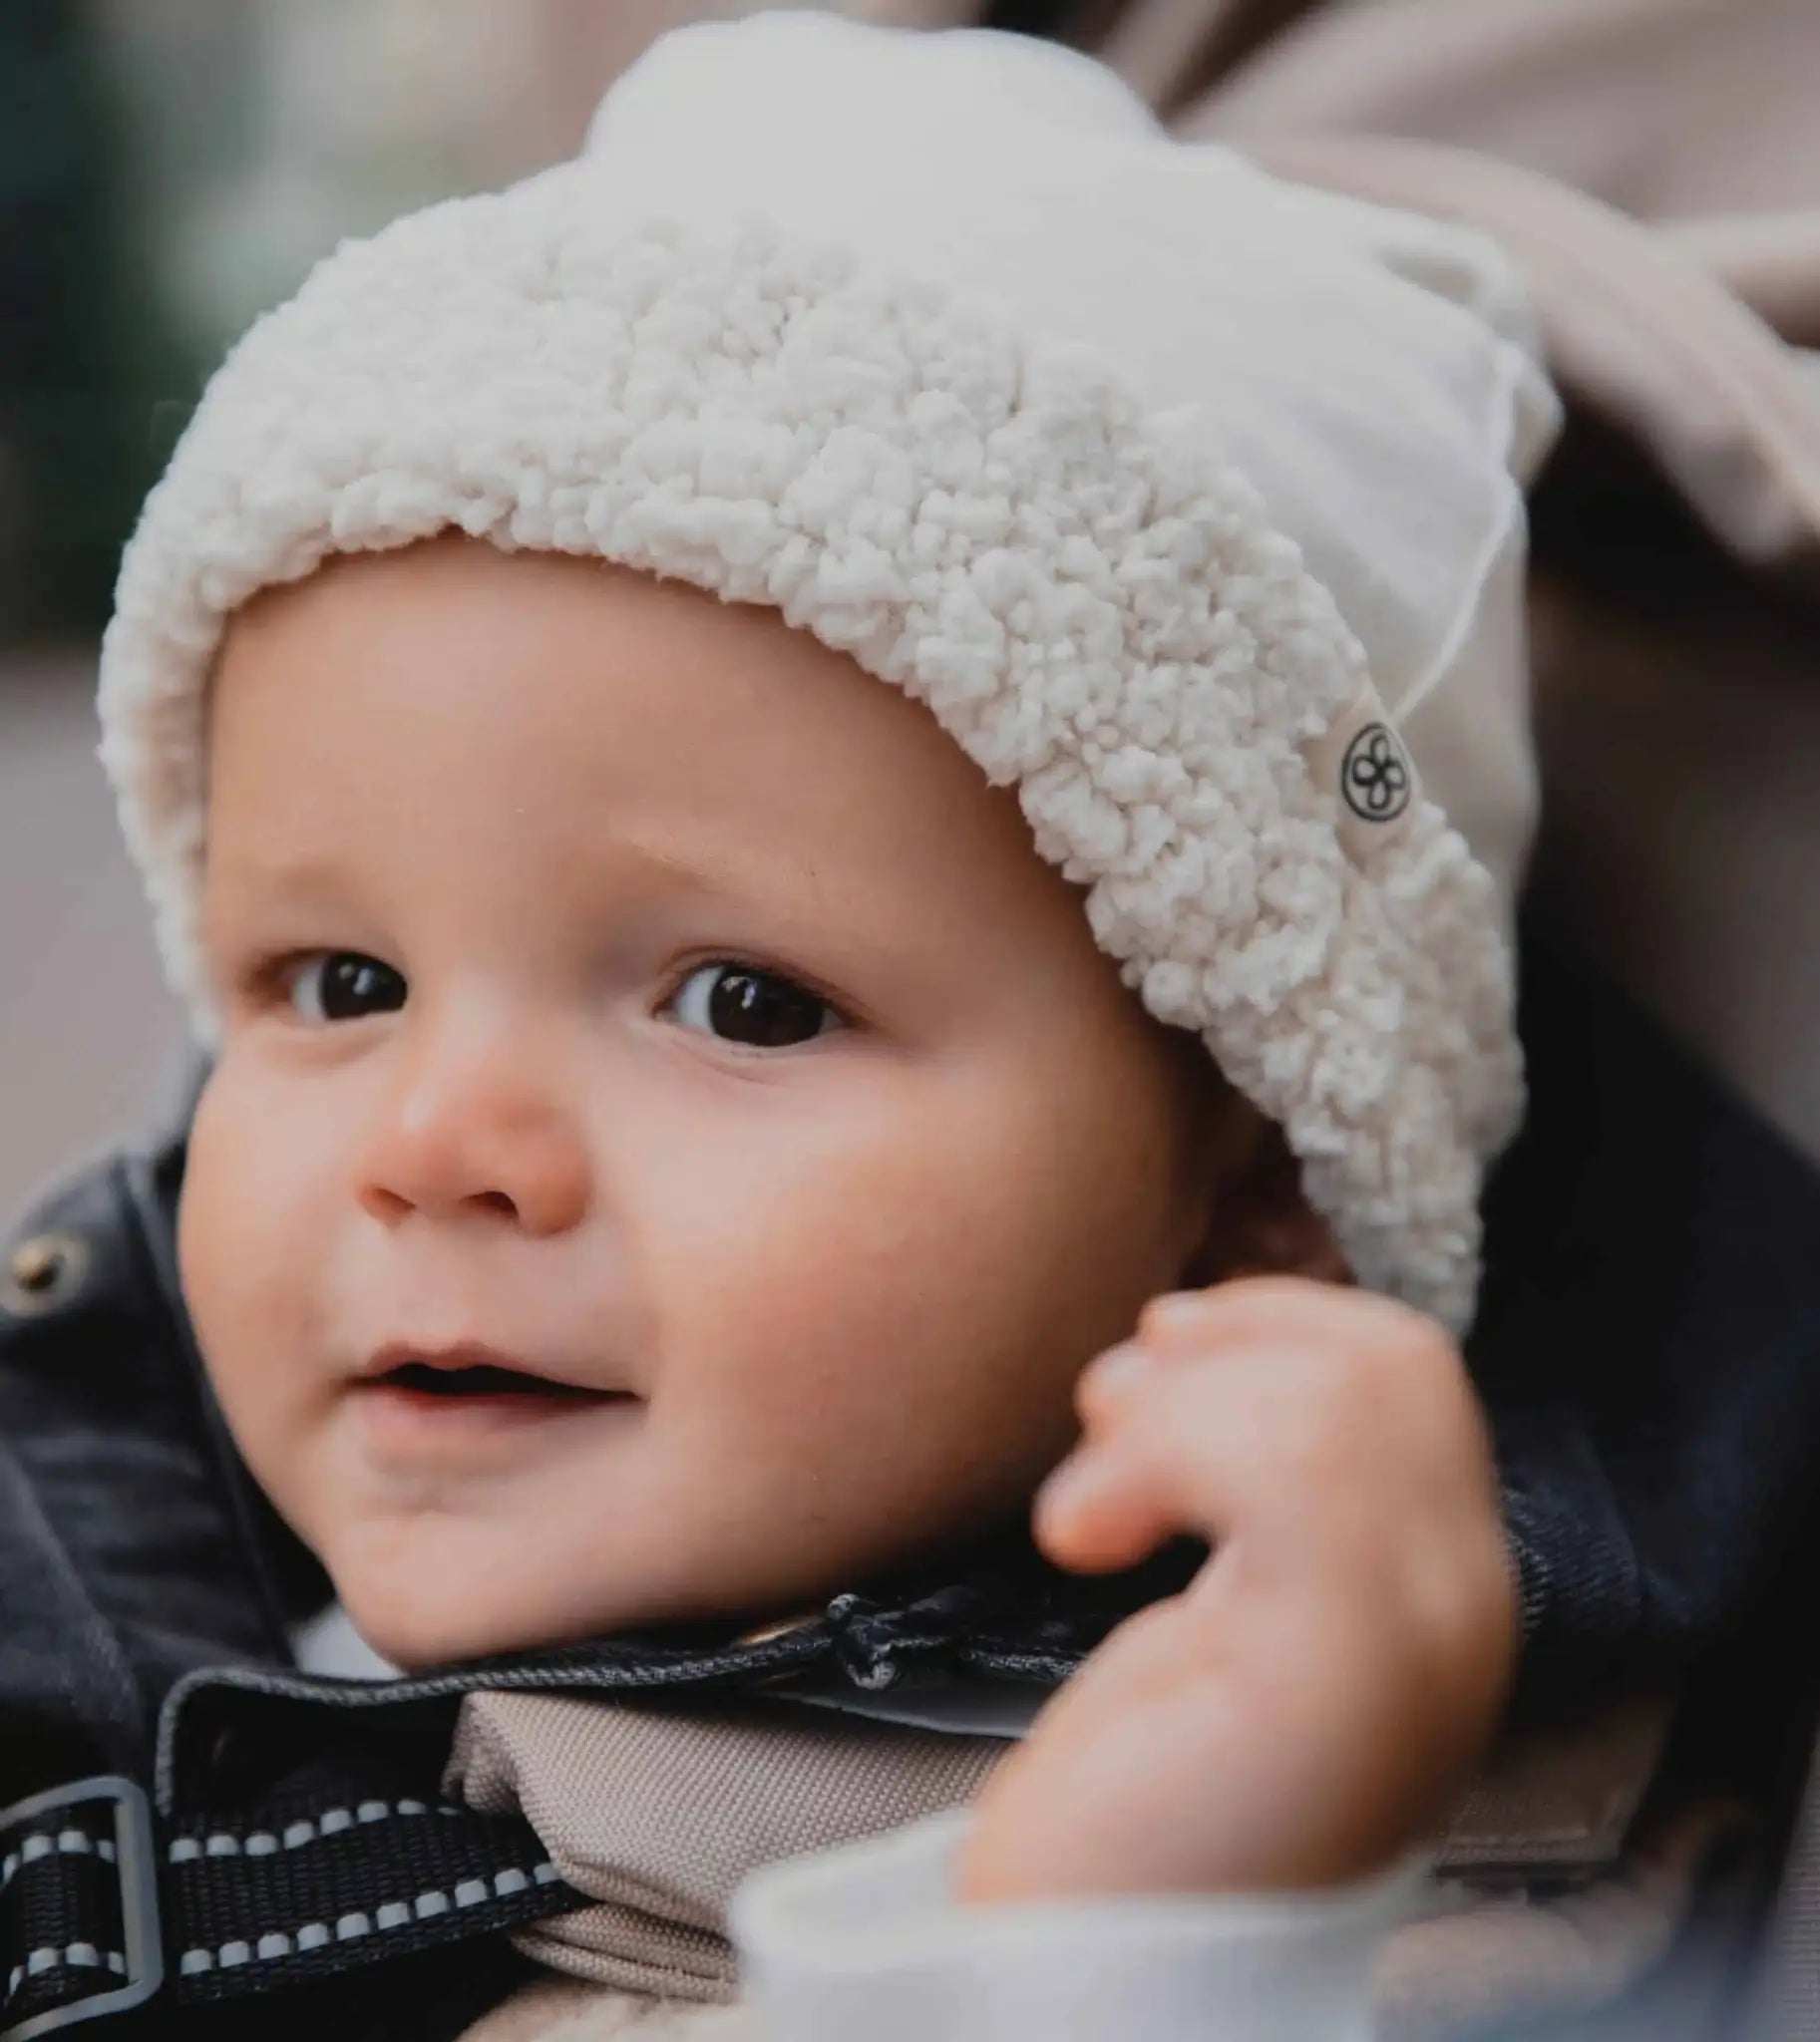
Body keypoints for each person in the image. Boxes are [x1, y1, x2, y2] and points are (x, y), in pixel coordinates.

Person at [3, 15, 1567, 2038]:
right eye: (341, 984)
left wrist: (1131, 1953)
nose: (435, 1139)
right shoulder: (124, 1558)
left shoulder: (1268, 1846)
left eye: (743, 1001)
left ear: (1255, 1166)